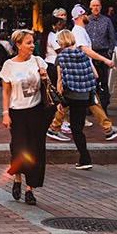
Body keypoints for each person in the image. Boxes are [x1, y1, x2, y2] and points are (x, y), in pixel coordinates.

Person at [0, 29, 52, 205]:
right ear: (18, 45)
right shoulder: (9, 65)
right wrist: (5, 113)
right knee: (19, 148)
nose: (32, 46)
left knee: (35, 150)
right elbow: (6, 91)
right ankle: (17, 178)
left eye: (32, 42)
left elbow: (46, 86)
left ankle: (30, 188)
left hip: (36, 111)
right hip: (17, 112)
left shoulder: (38, 61)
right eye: (28, 43)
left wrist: (44, 75)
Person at [55, 29, 100, 169]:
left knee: (51, 113)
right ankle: (85, 158)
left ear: (61, 41)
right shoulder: (83, 54)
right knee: (77, 128)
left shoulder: (61, 56)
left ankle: (52, 129)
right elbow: (95, 75)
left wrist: (59, 100)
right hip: (84, 95)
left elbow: (60, 81)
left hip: (69, 94)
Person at [86, 0, 117, 111]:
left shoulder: (106, 21)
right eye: (93, 6)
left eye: (97, 6)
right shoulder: (86, 20)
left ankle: (103, 105)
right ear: (90, 7)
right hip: (89, 53)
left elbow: (112, 35)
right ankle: (89, 106)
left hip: (102, 52)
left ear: (101, 7)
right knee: (89, 80)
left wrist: (110, 50)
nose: (95, 8)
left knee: (103, 80)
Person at [42, 12, 71, 141]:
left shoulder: (44, 36)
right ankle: (55, 122)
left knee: (51, 93)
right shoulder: (53, 36)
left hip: (48, 64)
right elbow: (59, 50)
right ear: (53, 25)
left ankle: (53, 121)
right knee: (57, 94)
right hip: (54, 65)